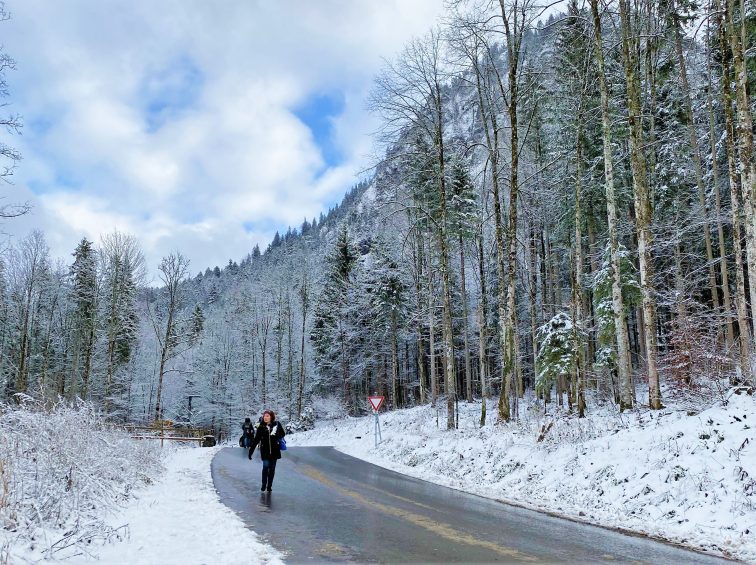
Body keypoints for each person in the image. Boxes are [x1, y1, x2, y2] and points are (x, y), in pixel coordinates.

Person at [248, 409, 285, 492]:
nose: (265, 417)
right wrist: (251, 452)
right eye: (264, 416)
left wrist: (277, 431)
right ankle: (264, 484)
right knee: (265, 468)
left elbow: (283, 434)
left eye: (267, 416)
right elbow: (256, 440)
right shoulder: (261, 427)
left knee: (272, 469)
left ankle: (269, 486)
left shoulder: (277, 424)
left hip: (275, 451)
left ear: (271, 417)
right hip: (265, 451)